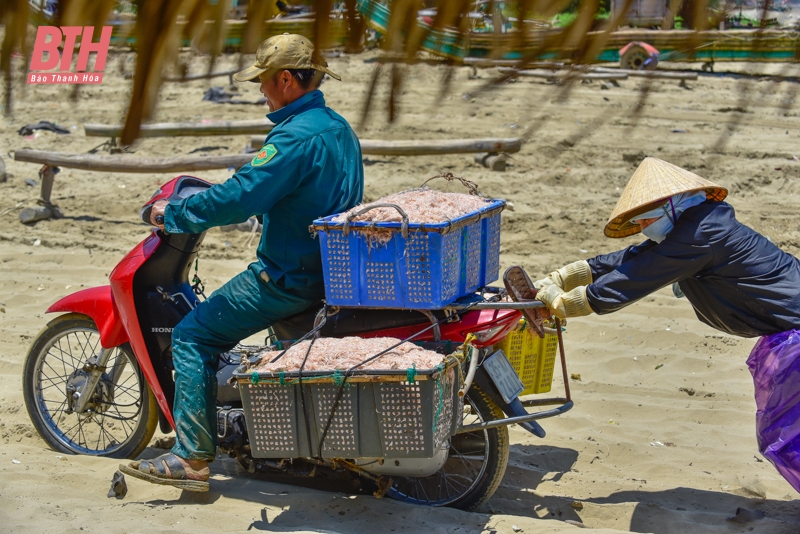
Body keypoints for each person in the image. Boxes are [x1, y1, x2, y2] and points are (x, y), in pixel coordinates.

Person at [120, 34, 364, 491]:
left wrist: (171, 213)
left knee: (192, 335)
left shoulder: (293, 137)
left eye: (266, 82)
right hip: (329, 272)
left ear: (287, 79)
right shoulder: (337, 128)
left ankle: (191, 458)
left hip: (287, 278)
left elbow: (240, 197)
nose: (261, 91)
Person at [533, 157, 800, 492]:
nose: (643, 224)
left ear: (673, 205)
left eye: (647, 215)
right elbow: (633, 258)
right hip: (787, 331)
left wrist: (565, 303)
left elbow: (637, 277)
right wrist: (567, 274)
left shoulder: (702, 233)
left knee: (790, 437)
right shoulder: (697, 224)